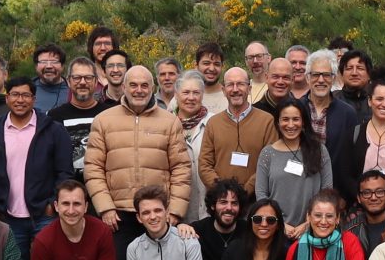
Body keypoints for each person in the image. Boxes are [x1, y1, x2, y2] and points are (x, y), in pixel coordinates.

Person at [85, 65, 192, 231]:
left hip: (158, 212)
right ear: (124, 87)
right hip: (117, 215)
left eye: (144, 85)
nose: (139, 90)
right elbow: (93, 168)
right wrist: (105, 207)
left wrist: (176, 210)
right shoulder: (103, 121)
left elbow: (181, 169)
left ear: (152, 88)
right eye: (133, 85)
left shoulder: (170, 122)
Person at [0, 76, 73, 260]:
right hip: (9, 216)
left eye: (26, 95)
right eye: (15, 95)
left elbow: (64, 172)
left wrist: (52, 204)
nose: (20, 100)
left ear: (34, 99)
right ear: (7, 98)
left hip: (44, 214)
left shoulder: (53, 130)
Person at [203, 67, 275, 194]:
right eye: (230, 85)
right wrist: (223, 193)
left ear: (249, 88)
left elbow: (269, 163)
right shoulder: (213, 123)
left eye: (241, 84)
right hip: (221, 203)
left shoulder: (267, 121)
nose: (235, 89)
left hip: (254, 202)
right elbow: (204, 164)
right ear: (223, 90)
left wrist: (244, 192)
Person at [253, 99, 332, 214]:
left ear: (303, 121)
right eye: (285, 119)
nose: (290, 125)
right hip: (276, 226)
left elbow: (327, 191)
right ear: (278, 122)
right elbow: (261, 194)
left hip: (313, 225)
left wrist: (309, 222)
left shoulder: (319, 150)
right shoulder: (267, 154)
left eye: (296, 119)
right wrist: (280, 223)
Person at [173, 72, 213, 218]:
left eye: (196, 93)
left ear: (202, 95)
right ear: (176, 95)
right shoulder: (167, 124)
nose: (191, 98)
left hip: (209, 208)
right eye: (185, 92)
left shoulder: (214, 123)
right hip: (178, 210)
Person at [341, 170, 385, 250]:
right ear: (359, 198)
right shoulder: (350, 231)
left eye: (380, 192)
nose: (373, 198)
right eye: (367, 193)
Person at [31, 44, 72, 114]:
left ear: (62, 66)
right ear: (36, 66)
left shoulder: (73, 89)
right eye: (43, 62)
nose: (49, 66)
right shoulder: (27, 89)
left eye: (54, 62)